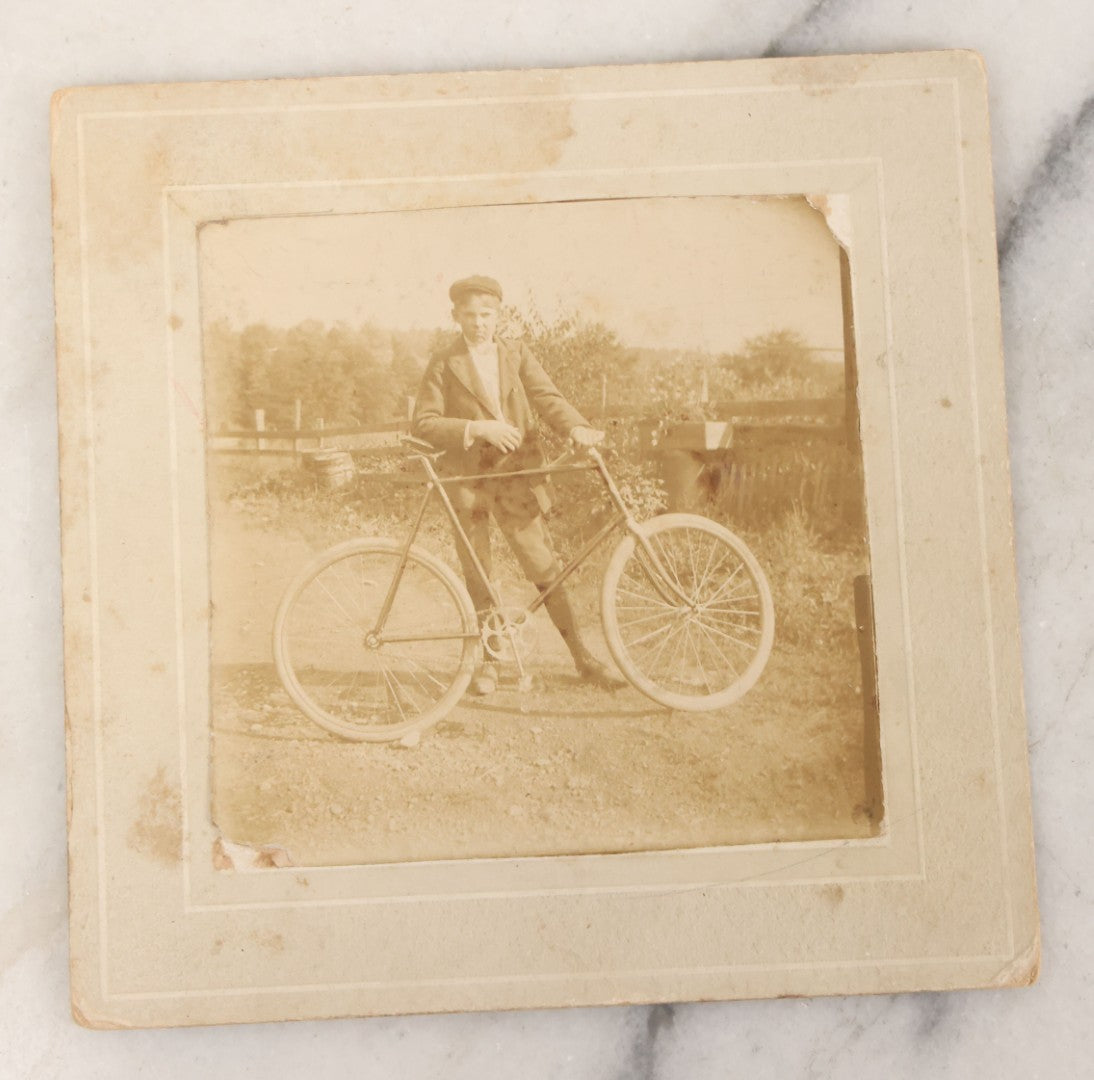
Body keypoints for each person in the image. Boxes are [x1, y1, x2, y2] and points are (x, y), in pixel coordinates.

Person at [412, 275, 625, 695]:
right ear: (456, 316)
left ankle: (583, 656)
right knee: (479, 572)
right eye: (469, 315)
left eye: (486, 315)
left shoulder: (517, 353)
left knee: (544, 566)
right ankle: (490, 662)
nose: (478, 324)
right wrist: (477, 427)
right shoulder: (443, 362)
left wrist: (577, 427)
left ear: (500, 316)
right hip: (468, 480)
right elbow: (424, 423)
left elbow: (548, 398)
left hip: (516, 478)